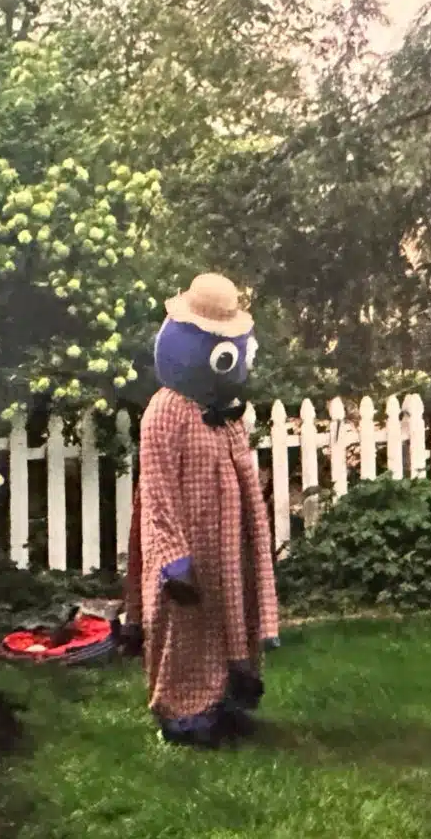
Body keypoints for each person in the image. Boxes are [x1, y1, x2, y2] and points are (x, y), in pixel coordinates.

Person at [124, 273, 280, 747]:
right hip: (186, 539)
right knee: (184, 624)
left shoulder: (228, 412)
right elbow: (157, 489)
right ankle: (184, 713)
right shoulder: (165, 410)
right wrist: (173, 556)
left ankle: (225, 701)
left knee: (230, 616)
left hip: (227, 541)